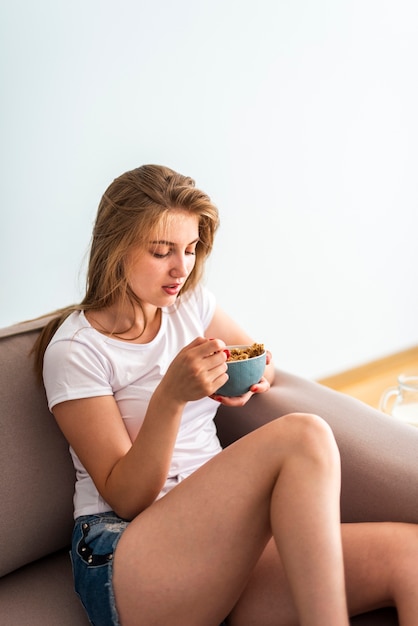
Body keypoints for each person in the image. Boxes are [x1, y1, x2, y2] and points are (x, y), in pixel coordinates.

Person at [33, 164, 418, 626]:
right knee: (304, 435)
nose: (181, 268)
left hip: (221, 547)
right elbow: (127, 497)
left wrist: (249, 379)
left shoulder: (189, 304)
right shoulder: (76, 351)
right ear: (116, 248)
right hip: (129, 555)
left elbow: (260, 359)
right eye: (161, 252)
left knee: (409, 557)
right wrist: (170, 398)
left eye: (191, 249)